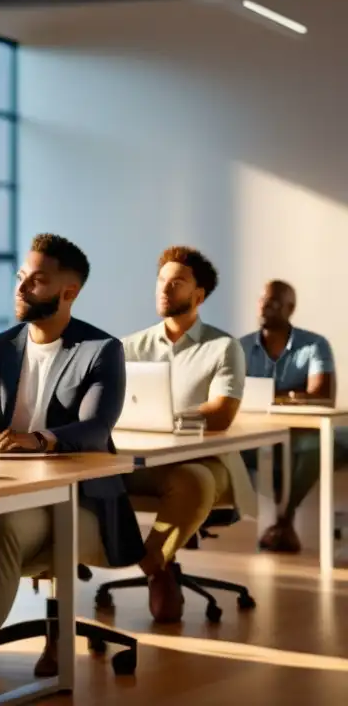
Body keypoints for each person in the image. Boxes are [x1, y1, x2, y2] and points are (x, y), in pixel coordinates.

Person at [0, 234, 144, 706]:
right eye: (21, 277)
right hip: (0, 494)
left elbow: (97, 428)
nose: (22, 288)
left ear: (68, 292)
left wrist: (40, 440)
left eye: (37, 280)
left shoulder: (101, 350)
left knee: (9, 529)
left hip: (76, 506)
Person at [122, 246, 254, 623]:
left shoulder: (223, 347)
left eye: (177, 283)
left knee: (194, 480)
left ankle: (153, 565)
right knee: (87, 479)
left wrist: (165, 418)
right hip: (140, 461)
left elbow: (221, 413)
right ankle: (156, 562)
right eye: (162, 280)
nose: (165, 288)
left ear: (199, 295)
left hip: (205, 460)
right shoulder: (129, 347)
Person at [240, 279, 348, 553]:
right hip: (257, 437)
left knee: (321, 447)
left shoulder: (314, 345)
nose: (266, 307)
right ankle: (276, 522)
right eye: (263, 300)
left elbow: (323, 395)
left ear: (291, 308)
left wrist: (267, 395)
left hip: (304, 435)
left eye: (275, 303)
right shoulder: (239, 348)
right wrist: (291, 394)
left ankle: (284, 519)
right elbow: (231, 396)